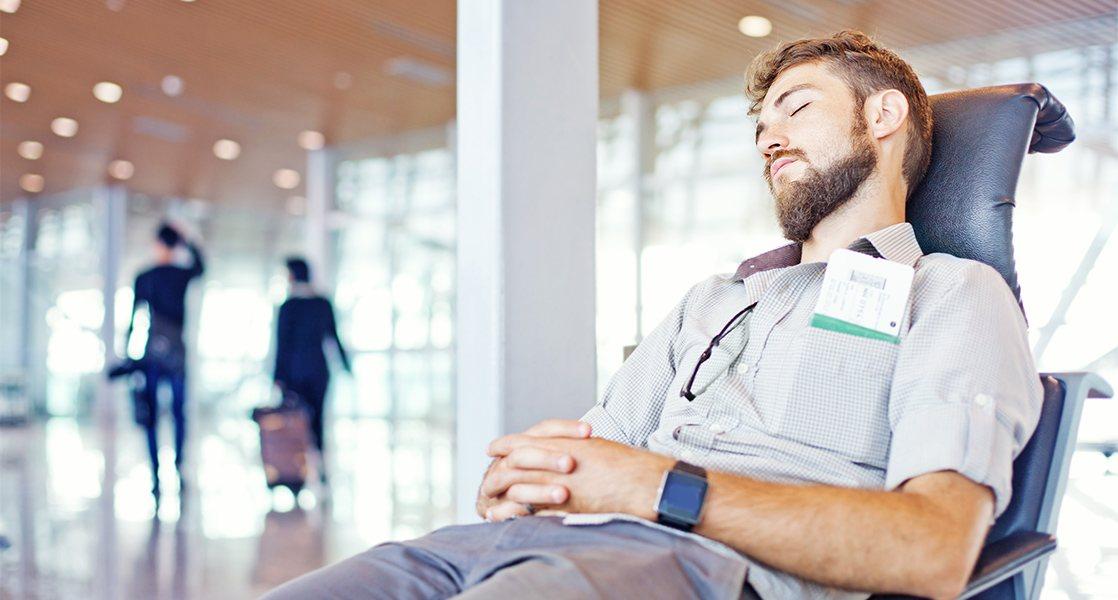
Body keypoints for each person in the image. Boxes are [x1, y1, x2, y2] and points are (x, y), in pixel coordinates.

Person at [264, 31, 1042, 600]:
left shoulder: (952, 294)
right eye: (760, 125)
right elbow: (611, 450)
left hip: (698, 574)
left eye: (796, 108)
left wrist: (659, 488)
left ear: (882, 116)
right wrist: (539, 480)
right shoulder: (714, 299)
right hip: (512, 546)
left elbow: (934, 548)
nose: (768, 137)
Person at [124, 222, 205, 497]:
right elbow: (201, 266)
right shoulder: (181, 274)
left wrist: (129, 356)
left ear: (158, 244)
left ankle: (157, 474)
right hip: (177, 353)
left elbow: (134, 317)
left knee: (151, 415)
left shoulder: (145, 276)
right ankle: (178, 469)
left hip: (152, 354)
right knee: (179, 414)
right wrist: (187, 239)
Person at [272, 257, 351, 480]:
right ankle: (319, 464)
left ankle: (299, 469)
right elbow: (332, 337)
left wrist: (278, 378)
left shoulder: (289, 306)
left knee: (297, 421)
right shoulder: (321, 303)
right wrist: (345, 366)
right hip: (318, 371)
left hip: (294, 374)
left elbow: (282, 345)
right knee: (317, 419)